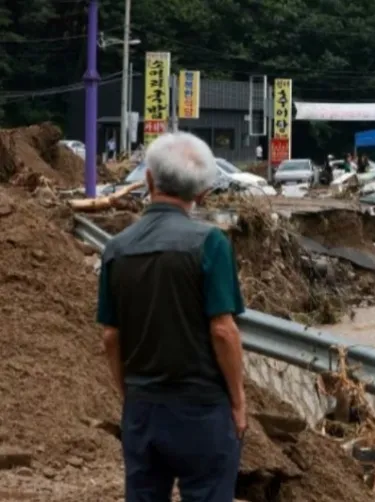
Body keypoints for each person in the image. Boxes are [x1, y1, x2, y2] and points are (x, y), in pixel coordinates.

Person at [96, 131, 247, 502]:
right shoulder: (210, 243)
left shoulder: (116, 248)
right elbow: (223, 331)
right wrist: (238, 402)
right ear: (202, 193)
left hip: (143, 408)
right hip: (201, 410)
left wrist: (130, 395)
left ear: (149, 179)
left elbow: (111, 337)